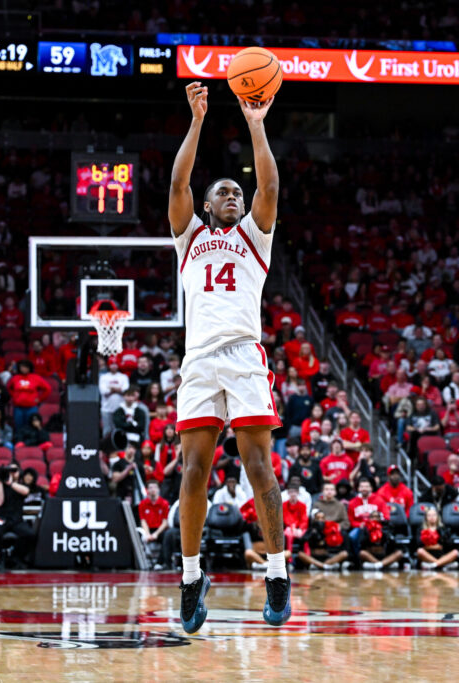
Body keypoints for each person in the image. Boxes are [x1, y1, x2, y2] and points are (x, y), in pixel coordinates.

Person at [168, 81, 289, 631]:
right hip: (198, 361)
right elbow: (177, 181)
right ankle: (192, 576)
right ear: (206, 204)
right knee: (193, 471)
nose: (231, 197)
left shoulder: (253, 238)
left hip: (243, 355)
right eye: (221, 193)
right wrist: (196, 121)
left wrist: (256, 122)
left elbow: (268, 182)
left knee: (258, 465)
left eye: (234, 193)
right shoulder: (188, 236)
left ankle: (278, 571)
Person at [0, 464, 33, 568]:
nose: (12, 473)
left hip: (16, 519)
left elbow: (26, 491)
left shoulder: (20, 485)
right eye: (9, 470)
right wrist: (1, 484)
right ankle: (0, 558)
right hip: (1, 518)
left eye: (14, 470)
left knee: (29, 534)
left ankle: (15, 557)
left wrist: (11, 483)